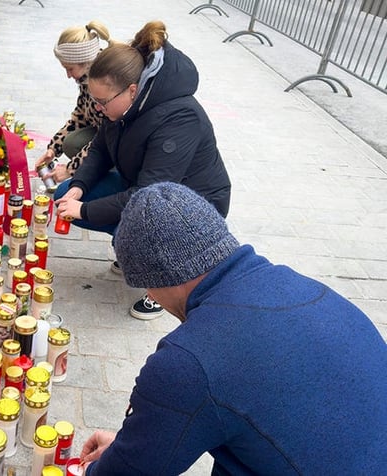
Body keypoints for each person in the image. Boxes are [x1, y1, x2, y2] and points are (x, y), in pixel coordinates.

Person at [79, 182, 387, 475]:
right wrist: (133, 445)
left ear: (156, 278)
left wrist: (102, 465)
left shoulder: (187, 362)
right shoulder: (310, 289)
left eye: (145, 286)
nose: (149, 295)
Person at [53, 21, 231, 320]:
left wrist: (84, 210)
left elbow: (150, 196)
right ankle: (132, 246)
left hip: (193, 206)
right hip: (146, 189)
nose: (96, 109)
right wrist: (79, 186)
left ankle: (168, 281)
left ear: (132, 90)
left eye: (101, 102)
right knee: (65, 194)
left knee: (114, 211)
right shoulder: (119, 104)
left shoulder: (179, 117)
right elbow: (100, 149)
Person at [34, 21, 110, 184]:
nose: (68, 75)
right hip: (104, 135)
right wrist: (53, 149)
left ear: (85, 62)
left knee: (64, 190)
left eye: (70, 68)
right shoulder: (86, 78)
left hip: (119, 144)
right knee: (71, 143)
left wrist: (71, 169)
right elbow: (79, 117)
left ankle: (110, 175)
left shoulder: (105, 83)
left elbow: (107, 138)